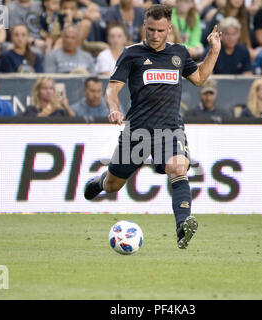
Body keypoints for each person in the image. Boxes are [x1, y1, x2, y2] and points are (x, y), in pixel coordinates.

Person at [83, 4, 222, 249]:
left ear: (169, 28)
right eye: (150, 30)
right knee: (113, 186)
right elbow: (112, 88)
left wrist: (214, 50)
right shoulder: (132, 54)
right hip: (137, 130)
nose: (155, 35)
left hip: (170, 128)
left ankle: (182, 227)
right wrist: (114, 108)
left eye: (160, 30)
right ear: (143, 27)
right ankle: (99, 182)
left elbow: (199, 78)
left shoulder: (179, 53)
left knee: (178, 165)